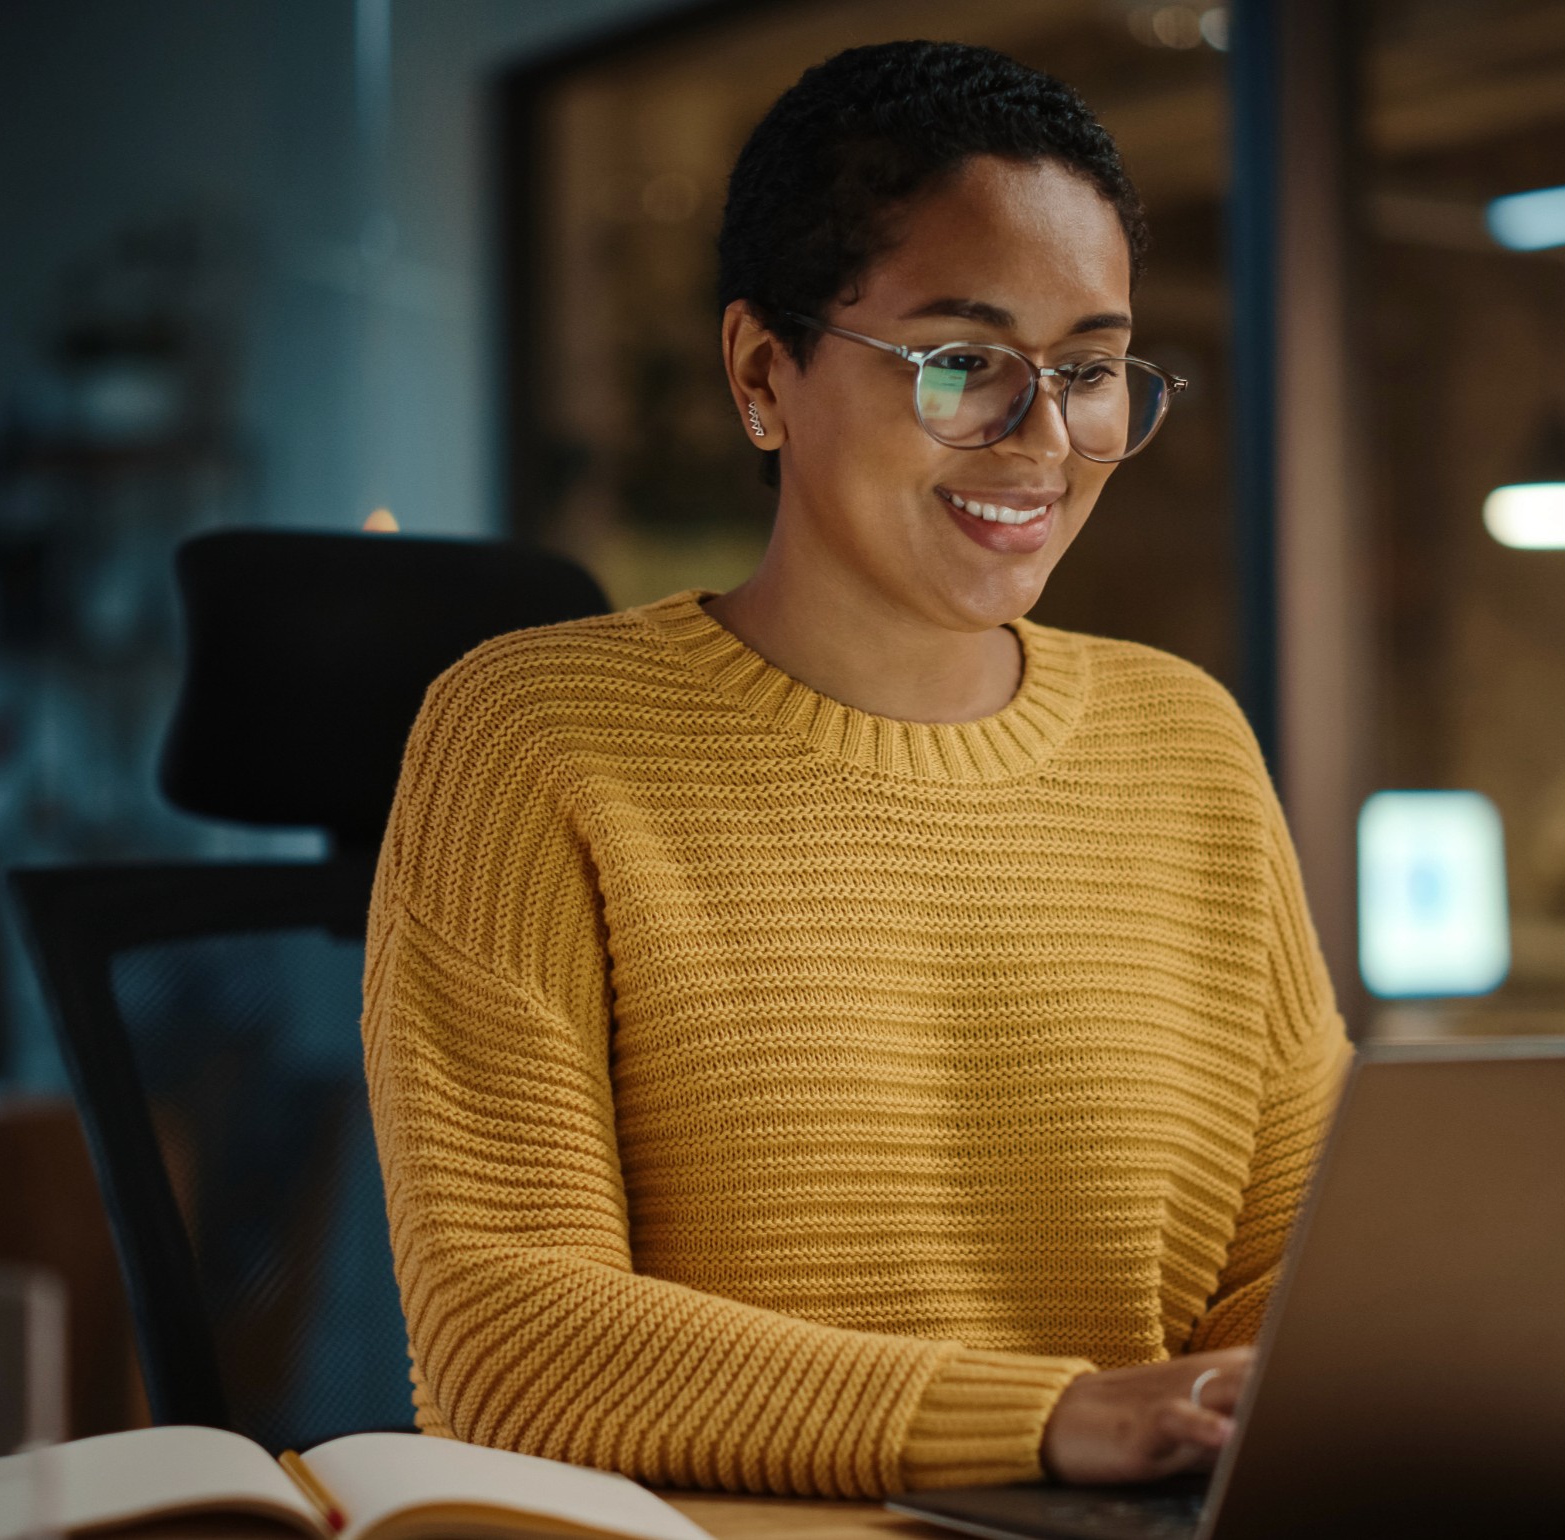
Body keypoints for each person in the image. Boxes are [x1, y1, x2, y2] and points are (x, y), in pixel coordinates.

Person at [360, 42, 1349, 1500]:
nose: (1041, 440)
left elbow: (1301, 1272)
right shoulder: (531, 740)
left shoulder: (1184, 740)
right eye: (960, 364)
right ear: (766, 370)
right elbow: (508, 1340)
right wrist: (1045, 1418)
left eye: (1085, 370)